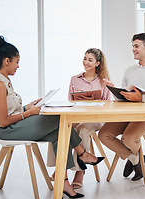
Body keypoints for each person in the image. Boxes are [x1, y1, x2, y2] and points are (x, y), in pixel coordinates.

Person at [0, 35, 104, 199]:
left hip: (12, 126)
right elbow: (3, 121)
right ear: (7, 61)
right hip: (5, 131)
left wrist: (27, 107)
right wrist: (29, 113)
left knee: (59, 134)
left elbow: (8, 111)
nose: (18, 65)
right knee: (60, 120)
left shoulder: (4, 81)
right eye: (17, 61)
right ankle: (83, 154)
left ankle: (64, 182)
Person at [98, 33, 145, 181]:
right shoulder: (129, 70)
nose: (133, 49)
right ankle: (135, 159)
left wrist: (144, 98)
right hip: (127, 115)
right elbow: (124, 96)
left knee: (129, 138)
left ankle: (133, 159)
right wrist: (115, 91)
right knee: (103, 135)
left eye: (136, 46)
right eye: (133, 46)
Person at [48, 48, 112, 189]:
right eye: (85, 59)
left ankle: (79, 172)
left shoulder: (104, 82)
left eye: (90, 60)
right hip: (78, 116)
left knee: (83, 129)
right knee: (60, 127)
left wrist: (110, 90)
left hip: (96, 119)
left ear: (97, 63)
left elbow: (108, 105)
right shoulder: (74, 79)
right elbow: (70, 102)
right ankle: (61, 167)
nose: (86, 62)